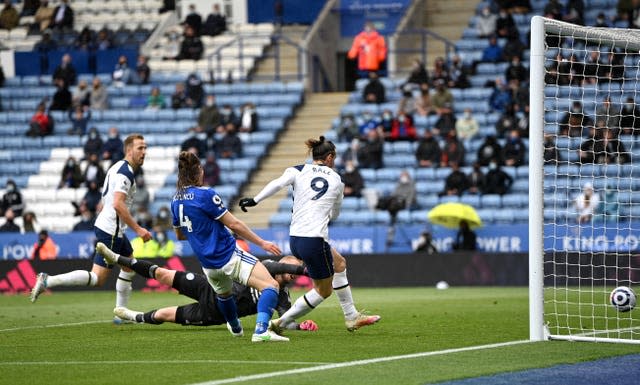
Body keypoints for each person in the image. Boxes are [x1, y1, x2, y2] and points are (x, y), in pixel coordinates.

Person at [239, 137, 381, 332]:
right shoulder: (336, 179)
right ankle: (279, 323)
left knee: (339, 263)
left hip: (296, 238)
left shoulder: (297, 170)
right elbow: (336, 213)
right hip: (314, 239)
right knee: (324, 290)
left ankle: (351, 316)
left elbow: (277, 184)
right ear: (330, 157)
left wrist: (255, 200)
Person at [31, 135, 152, 327]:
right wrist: (139, 229)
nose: (144, 152)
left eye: (145, 148)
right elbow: (118, 203)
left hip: (114, 228)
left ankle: (121, 314)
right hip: (111, 229)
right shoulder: (125, 173)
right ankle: (48, 281)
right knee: (98, 278)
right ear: (129, 150)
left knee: (129, 266)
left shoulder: (117, 167)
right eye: (140, 148)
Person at [167, 150, 287, 342]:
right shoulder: (205, 194)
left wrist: (200, 231)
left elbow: (180, 235)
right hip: (228, 255)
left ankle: (235, 326)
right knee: (271, 286)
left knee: (224, 295)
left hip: (208, 265)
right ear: (198, 170)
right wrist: (262, 242)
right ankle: (261, 331)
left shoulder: (175, 200)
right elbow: (234, 224)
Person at [98, 246, 318, 331]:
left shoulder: (283, 295)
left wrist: (300, 326)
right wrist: (303, 269)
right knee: (163, 273)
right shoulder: (266, 268)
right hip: (210, 287)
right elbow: (279, 265)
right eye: (293, 268)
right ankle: (116, 257)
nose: (292, 274)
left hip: (215, 314)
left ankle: (132, 316)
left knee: (164, 314)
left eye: (295, 271)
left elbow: (285, 319)